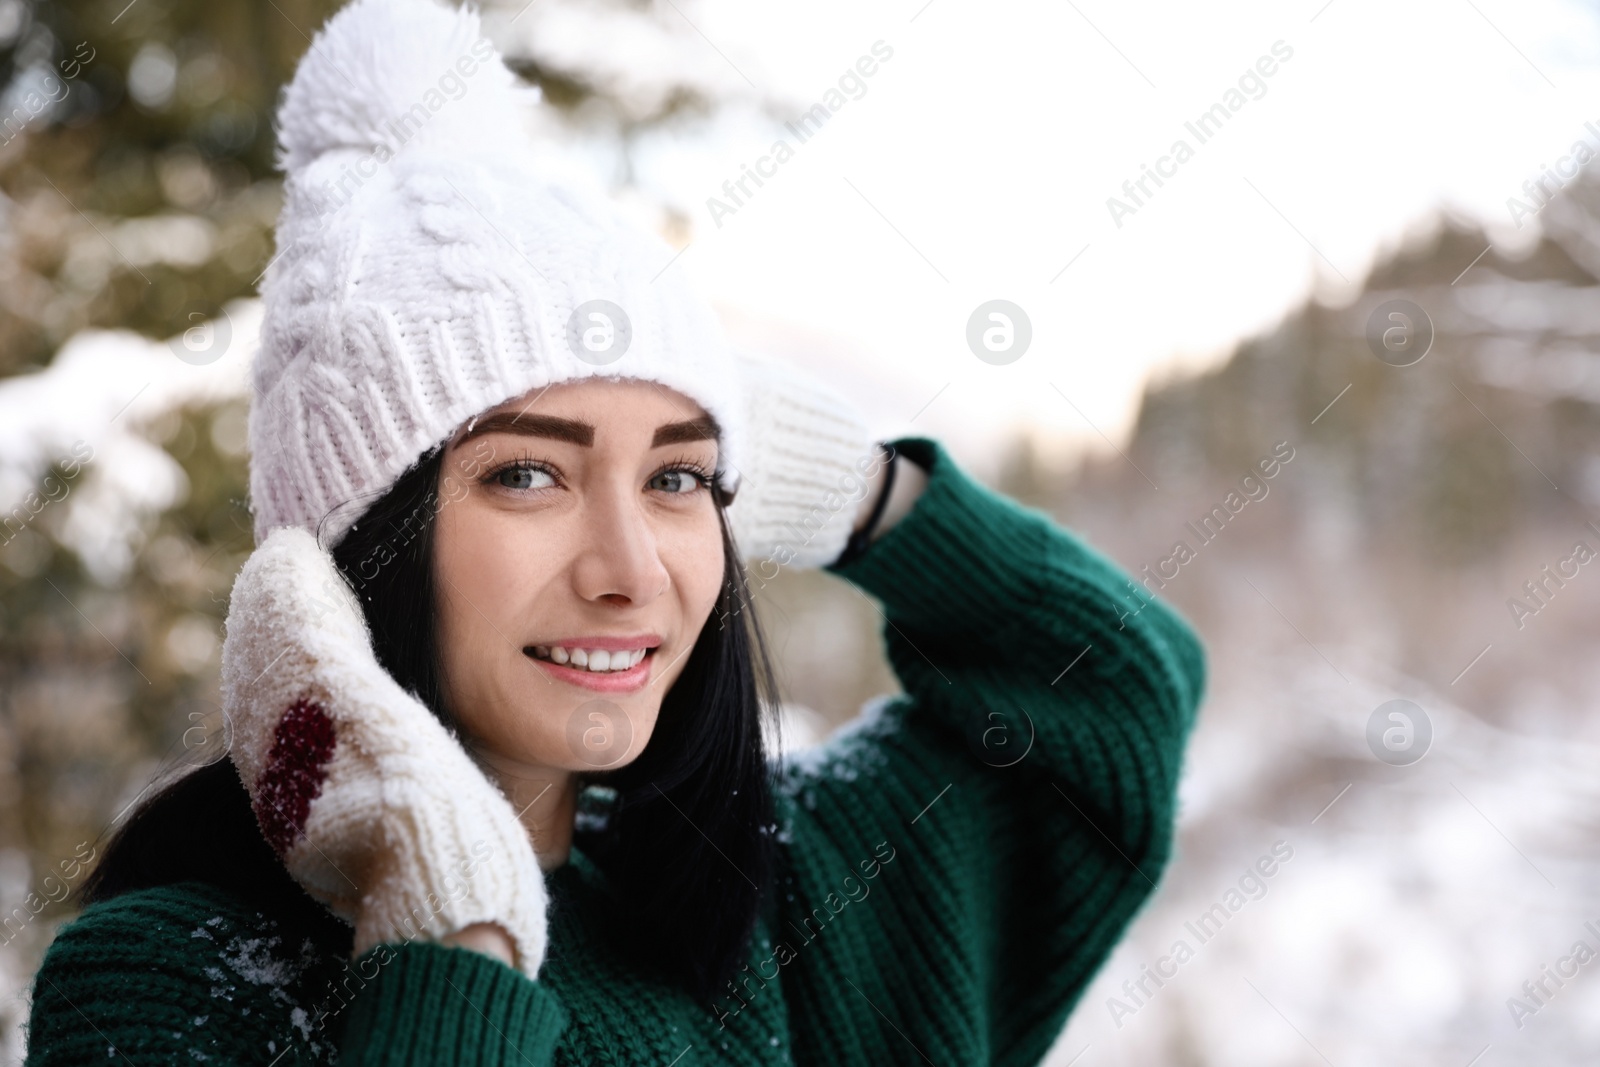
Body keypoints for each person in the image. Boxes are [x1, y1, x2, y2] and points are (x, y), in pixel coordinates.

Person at [22, 0, 1207, 1062]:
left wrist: (859, 491)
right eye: (529, 473)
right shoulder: (170, 980)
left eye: (678, 481)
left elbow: (1108, 700)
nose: (633, 571)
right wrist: (456, 938)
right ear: (350, 557)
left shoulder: (782, 901)